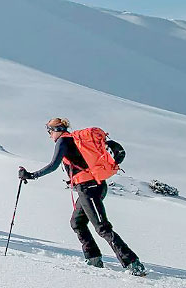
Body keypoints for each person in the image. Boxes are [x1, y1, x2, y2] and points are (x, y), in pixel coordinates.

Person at [19, 118, 146, 276]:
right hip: (93, 187)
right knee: (77, 222)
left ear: (57, 129)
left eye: (49, 131)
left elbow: (53, 165)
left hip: (89, 188)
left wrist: (31, 175)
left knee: (102, 227)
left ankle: (132, 263)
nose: (49, 135)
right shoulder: (73, 140)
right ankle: (93, 258)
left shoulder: (63, 141)